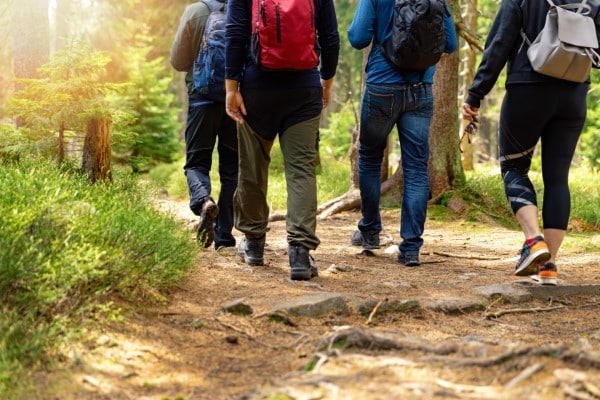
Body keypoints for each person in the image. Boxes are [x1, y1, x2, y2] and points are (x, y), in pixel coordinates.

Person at [462, 0, 600, 285]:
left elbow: (498, 45)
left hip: (528, 89)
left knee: (514, 167)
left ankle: (534, 241)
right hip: (574, 94)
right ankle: (549, 266)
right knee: (557, 179)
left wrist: (475, 94)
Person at [224, 0, 340, 280]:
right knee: (301, 171)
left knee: (252, 168)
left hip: (256, 91)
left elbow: (235, 34)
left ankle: (253, 245)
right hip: (304, 89)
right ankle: (299, 254)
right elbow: (330, 37)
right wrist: (326, 84)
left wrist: (231, 88)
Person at [347, 0, 457, 266]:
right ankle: (410, 247)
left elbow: (358, 38)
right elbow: (451, 44)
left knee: (370, 158)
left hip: (381, 87)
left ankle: (370, 231)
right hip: (420, 89)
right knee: (417, 168)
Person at [170, 0, 238, 250]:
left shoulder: (195, 11)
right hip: (237, 100)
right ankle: (225, 238)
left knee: (196, 163)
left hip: (202, 98)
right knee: (232, 170)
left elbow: (178, 61)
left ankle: (203, 202)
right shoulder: (246, 9)